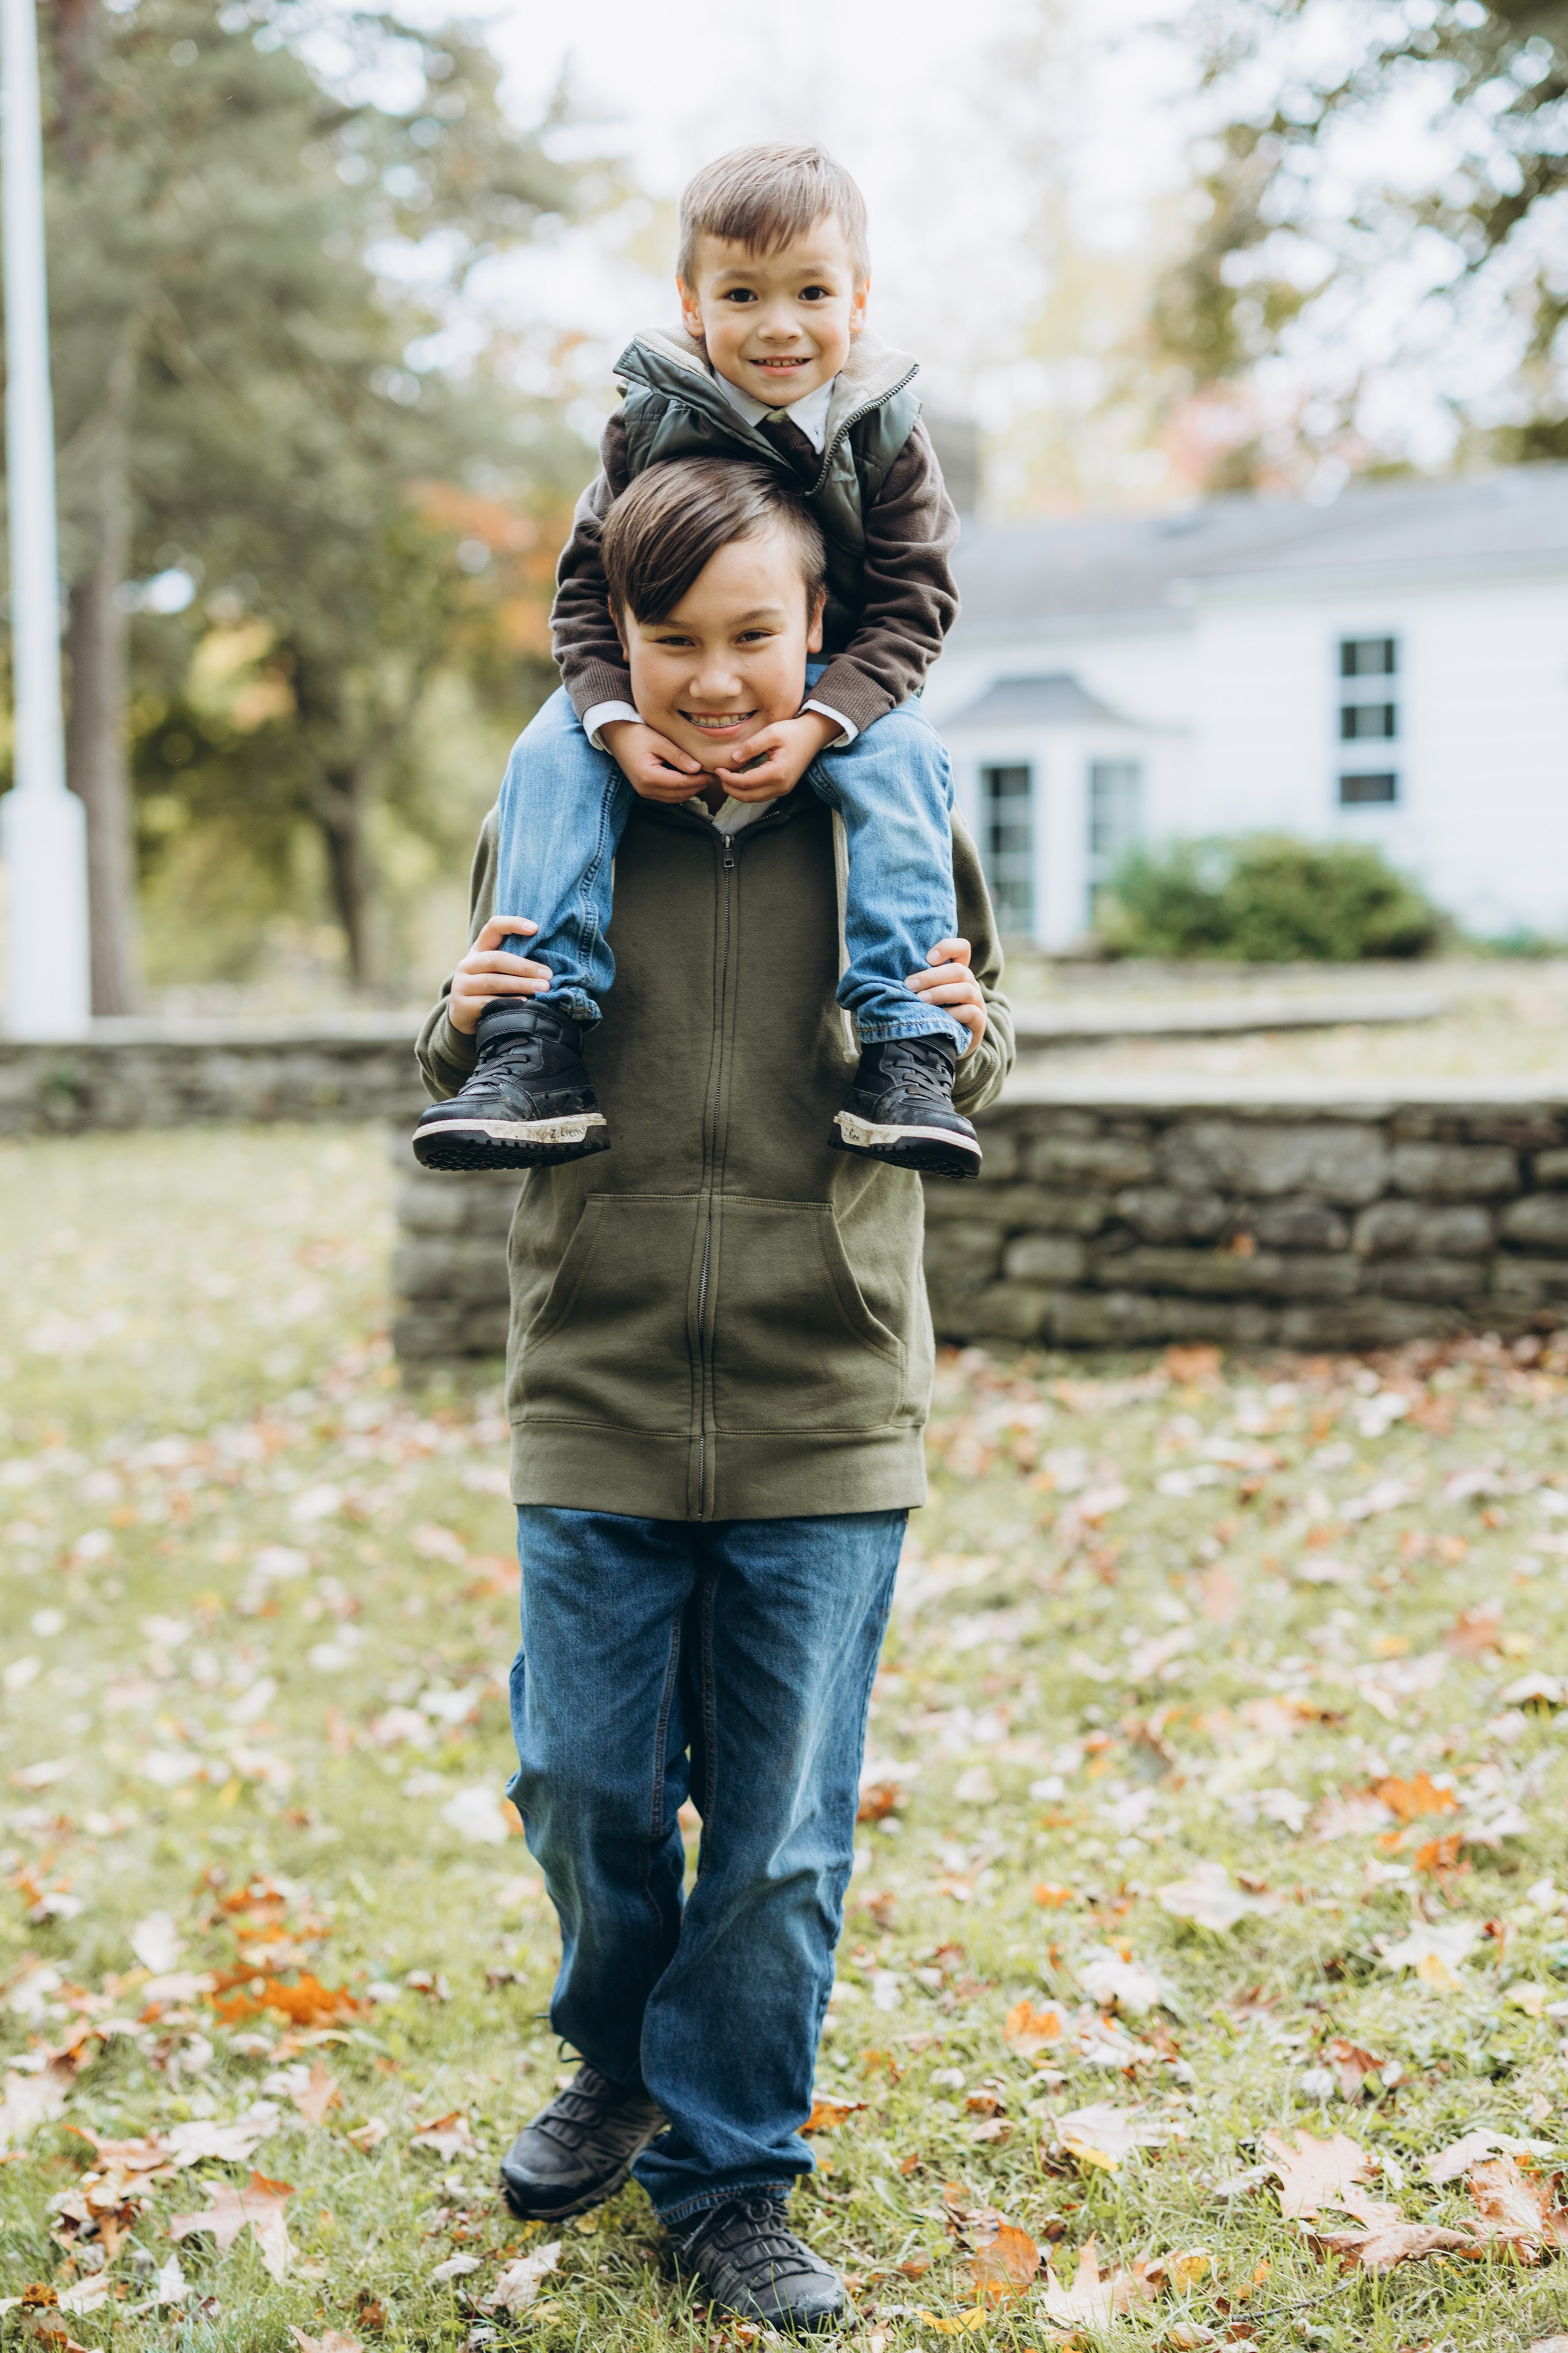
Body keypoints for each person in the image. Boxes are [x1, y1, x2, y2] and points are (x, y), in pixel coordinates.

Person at [414, 456, 1014, 2332]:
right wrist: (453, 1016)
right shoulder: (565, 798)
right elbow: (475, 1021)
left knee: (775, 1837)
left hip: (824, 1396)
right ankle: (620, 2049)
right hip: (591, 1382)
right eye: (676, 641)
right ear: (624, 641)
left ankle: (732, 2177)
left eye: (754, 636)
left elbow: (981, 1028)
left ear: (817, 628)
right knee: (582, 1779)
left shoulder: (891, 793)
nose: (718, 679)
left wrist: (974, 1044)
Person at [412, 139, 981, 1184]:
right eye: (742, 293)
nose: (777, 325)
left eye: (811, 291)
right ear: (691, 302)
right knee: (548, 755)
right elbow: (586, 590)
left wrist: (821, 723)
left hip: (838, 686)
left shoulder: (888, 432)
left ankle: (905, 1044)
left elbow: (915, 602)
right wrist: (615, 721)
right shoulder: (647, 423)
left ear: (858, 302)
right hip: (643, 687)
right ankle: (534, 1037)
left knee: (906, 760)